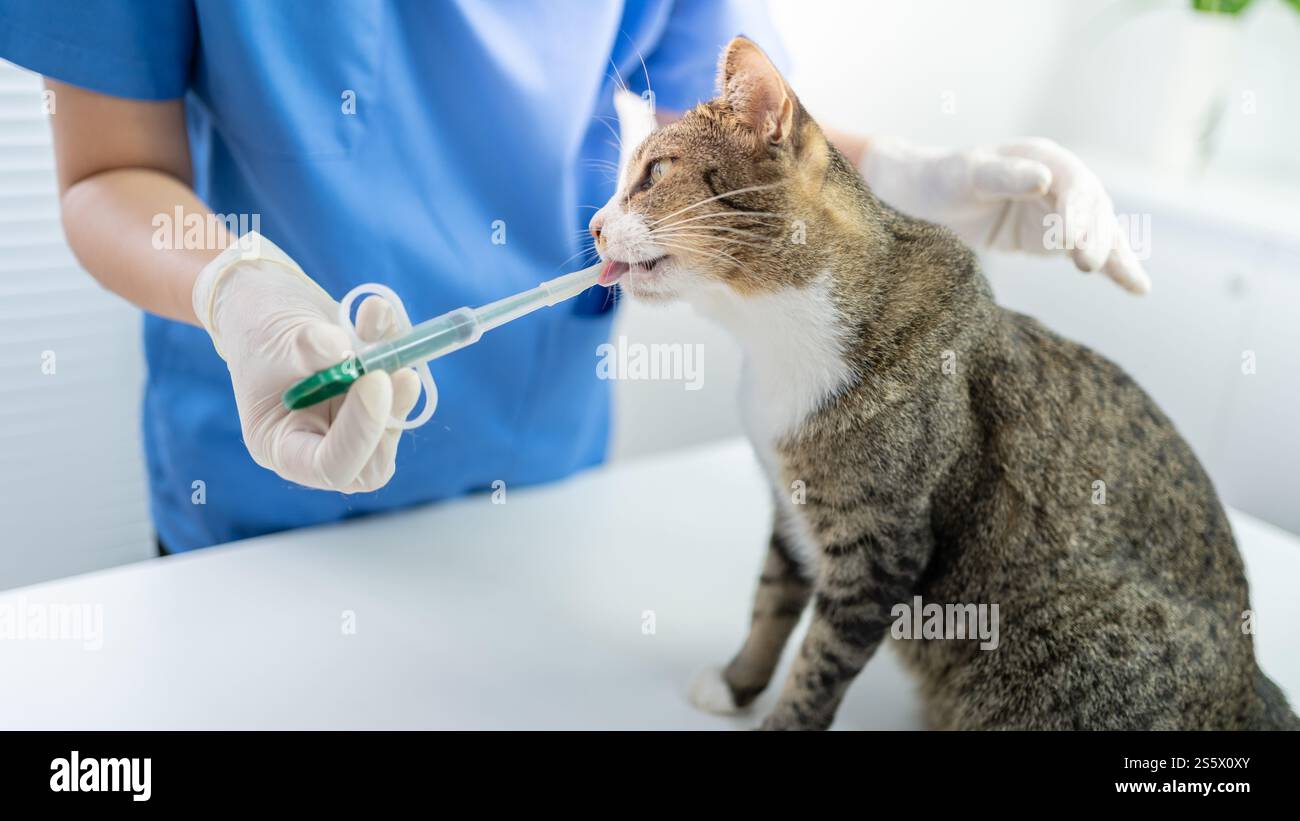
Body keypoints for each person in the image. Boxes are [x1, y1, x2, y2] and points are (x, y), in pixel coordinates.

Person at [0, 1, 1149, 552]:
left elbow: (731, 132)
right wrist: (236, 291)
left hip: (541, 479)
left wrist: (901, 178)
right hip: (261, 490)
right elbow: (107, 172)